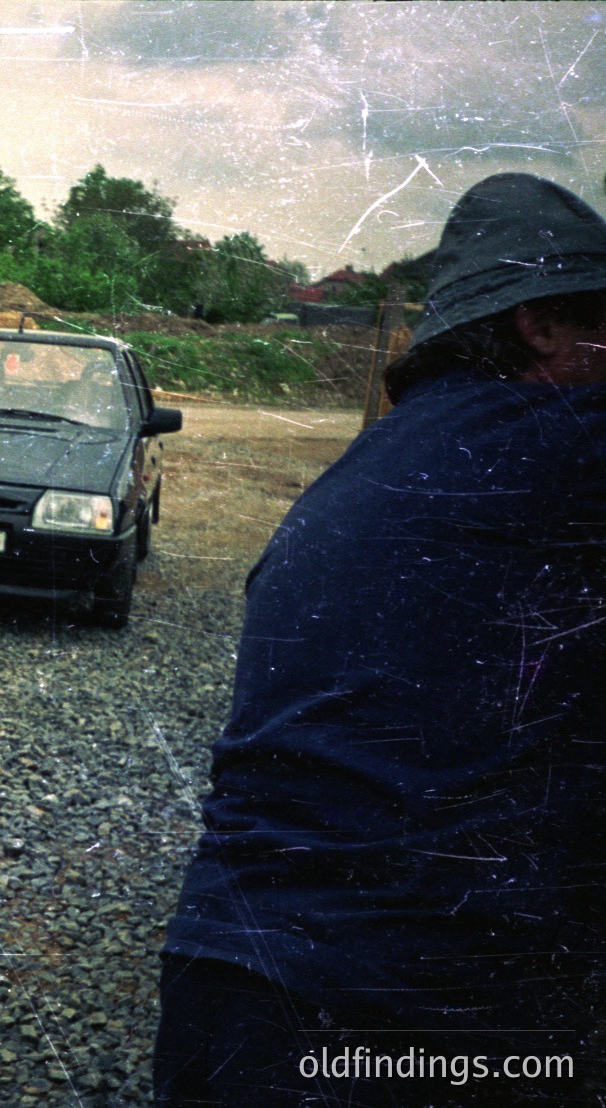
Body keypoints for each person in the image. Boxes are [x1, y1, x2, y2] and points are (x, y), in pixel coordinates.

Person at [155, 173, 606, 1106]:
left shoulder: (373, 463)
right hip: (412, 1014)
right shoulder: (565, 445)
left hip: (228, 983)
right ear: (543, 326)